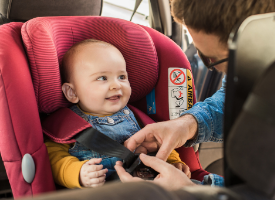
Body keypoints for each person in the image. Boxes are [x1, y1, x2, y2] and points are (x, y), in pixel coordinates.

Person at [115, 0, 275, 190]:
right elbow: (236, 95)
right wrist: (187, 125)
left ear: (263, 34)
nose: (212, 67)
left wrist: (193, 194)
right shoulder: (259, 40)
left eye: (213, 59)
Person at [45, 39, 190, 189]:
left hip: (149, 187)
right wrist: (79, 173)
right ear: (72, 92)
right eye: (102, 78)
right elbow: (54, 159)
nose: (116, 85)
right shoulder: (67, 125)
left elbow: (160, 142)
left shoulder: (137, 117)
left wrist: (173, 163)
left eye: (122, 77)